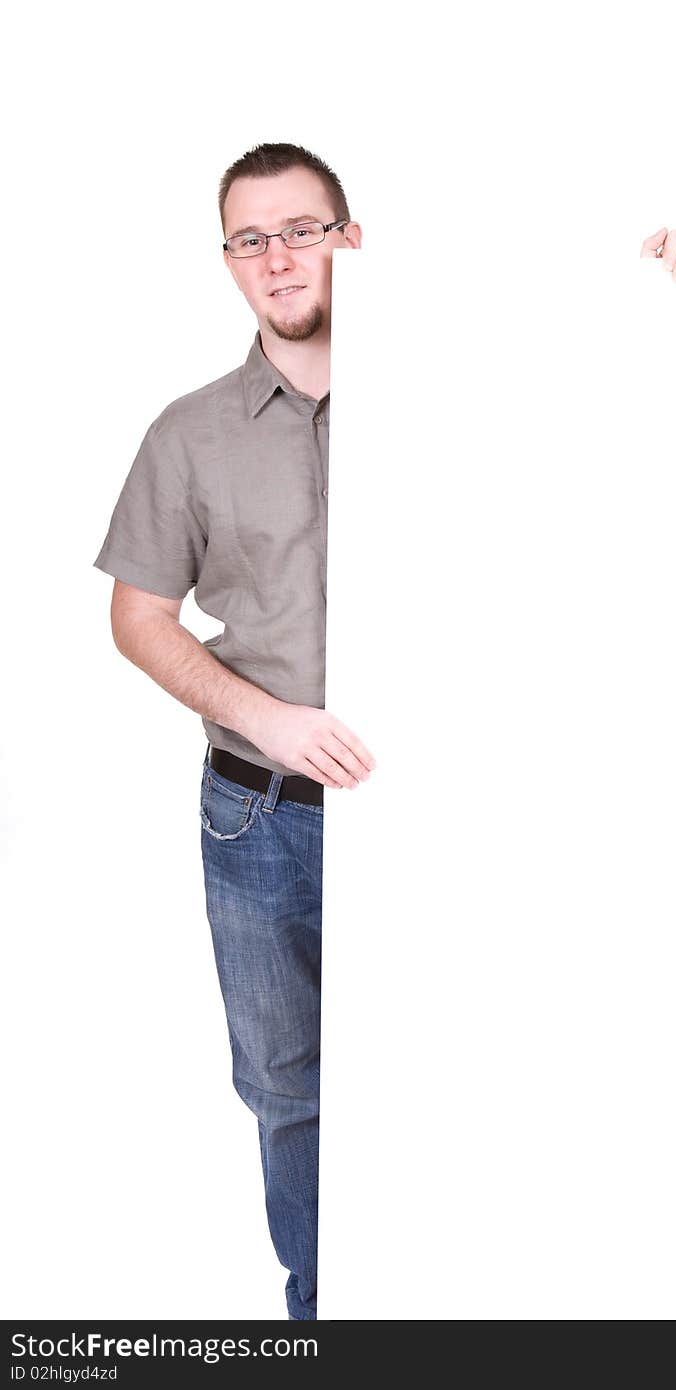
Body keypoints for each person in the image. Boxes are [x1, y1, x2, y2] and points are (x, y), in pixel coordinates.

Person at [93, 142, 376, 1321]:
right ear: (228, 263)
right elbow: (137, 615)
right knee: (286, 1083)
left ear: (351, 241)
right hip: (262, 813)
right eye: (251, 239)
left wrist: (661, 263)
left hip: (432, 802)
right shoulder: (191, 432)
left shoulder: (470, 398)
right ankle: (319, 1313)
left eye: (301, 229)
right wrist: (267, 718)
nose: (277, 258)